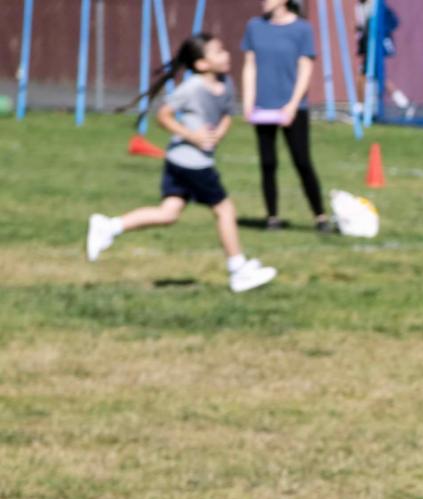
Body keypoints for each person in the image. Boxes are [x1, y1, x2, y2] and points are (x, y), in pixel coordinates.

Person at [86, 33, 277, 293]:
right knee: (225, 210)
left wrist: (220, 133)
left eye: (223, 50)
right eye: (218, 52)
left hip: (184, 161)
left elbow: (226, 114)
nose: (226, 55)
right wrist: (192, 136)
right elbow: (163, 115)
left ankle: (109, 226)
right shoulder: (192, 88)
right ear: (201, 64)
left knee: (168, 213)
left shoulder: (226, 82)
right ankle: (238, 270)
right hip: (191, 163)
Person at [242, 0, 332, 232]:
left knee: (302, 161)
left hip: (293, 107)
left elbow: (305, 68)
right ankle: (272, 217)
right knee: (267, 163)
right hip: (263, 106)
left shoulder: (302, 29)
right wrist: (248, 101)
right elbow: (250, 65)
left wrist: (292, 105)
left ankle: (320, 217)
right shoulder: (254, 26)